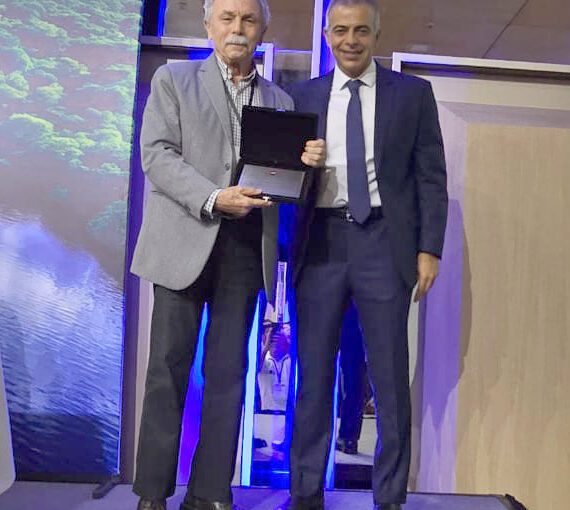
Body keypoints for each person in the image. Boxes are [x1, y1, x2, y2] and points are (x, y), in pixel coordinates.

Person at [130, 0, 326, 508]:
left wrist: (307, 167)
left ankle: (211, 492)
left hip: (245, 248)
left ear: (262, 29)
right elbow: (157, 155)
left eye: (248, 20)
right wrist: (215, 197)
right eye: (227, 17)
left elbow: (287, 186)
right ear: (208, 25)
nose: (238, 28)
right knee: (167, 369)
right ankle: (152, 493)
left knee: (228, 373)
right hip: (182, 240)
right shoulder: (174, 80)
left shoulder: (281, 101)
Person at [287, 1, 448, 509]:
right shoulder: (300, 97)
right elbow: (278, 178)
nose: (350, 40)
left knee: (389, 377)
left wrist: (429, 248)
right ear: (327, 36)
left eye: (360, 30)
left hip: (384, 243)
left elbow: (431, 178)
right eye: (340, 30)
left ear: (376, 35)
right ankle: (305, 493)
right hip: (320, 244)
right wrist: (301, 163)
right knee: (313, 377)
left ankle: (390, 497)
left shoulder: (413, 95)